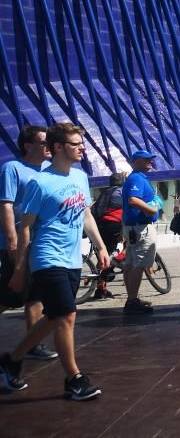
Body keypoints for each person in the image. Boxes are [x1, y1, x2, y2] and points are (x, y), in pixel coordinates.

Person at [0, 123, 109, 400]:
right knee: (67, 315)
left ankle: (12, 360)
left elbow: (85, 216)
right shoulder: (39, 182)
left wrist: (101, 247)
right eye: (76, 144)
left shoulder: (80, 177)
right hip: (47, 257)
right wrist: (21, 268)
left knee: (53, 316)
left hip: (72, 258)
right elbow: (26, 227)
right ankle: (74, 379)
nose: (82, 149)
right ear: (58, 147)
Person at [0, 125, 58, 362]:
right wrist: (12, 241)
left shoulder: (49, 169)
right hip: (17, 242)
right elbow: (5, 205)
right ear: (28, 146)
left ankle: (34, 343)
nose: (49, 146)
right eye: (44, 142)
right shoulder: (12, 168)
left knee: (35, 294)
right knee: (10, 292)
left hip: (41, 240)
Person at [122, 150, 160, 315]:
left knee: (130, 263)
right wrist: (152, 210)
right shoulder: (137, 178)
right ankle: (131, 301)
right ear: (136, 161)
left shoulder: (137, 178)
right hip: (141, 227)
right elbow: (133, 200)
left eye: (151, 160)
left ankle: (132, 298)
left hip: (134, 227)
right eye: (146, 160)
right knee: (139, 264)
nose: (150, 162)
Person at [91, 173, 125, 300]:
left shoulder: (105, 193)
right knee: (133, 242)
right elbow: (126, 212)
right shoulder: (122, 192)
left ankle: (101, 289)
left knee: (104, 254)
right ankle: (117, 259)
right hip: (115, 225)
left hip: (101, 226)